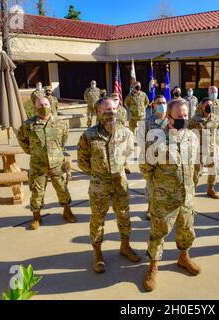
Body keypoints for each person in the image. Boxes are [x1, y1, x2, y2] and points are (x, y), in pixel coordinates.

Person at [140, 98, 200, 292]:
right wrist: (160, 187)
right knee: (158, 234)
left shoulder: (192, 137)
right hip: (164, 198)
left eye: (185, 115)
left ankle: (183, 257)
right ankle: (153, 267)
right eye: (179, 116)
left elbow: (195, 165)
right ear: (169, 117)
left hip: (187, 196)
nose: (183, 119)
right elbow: (145, 168)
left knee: (186, 230)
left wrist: (191, 186)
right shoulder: (156, 139)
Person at [77, 97, 140, 273]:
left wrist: (118, 167)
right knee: (98, 219)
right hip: (99, 186)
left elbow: (128, 151)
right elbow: (82, 162)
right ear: (98, 112)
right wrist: (98, 174)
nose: (111, 112)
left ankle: (125, 246)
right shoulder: (88, 135)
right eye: (106, 110)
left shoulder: (126, 133)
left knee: (124, 216)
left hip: (120, 183)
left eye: (113, 108)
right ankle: (97, 253)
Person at [17, 96, 76, 230]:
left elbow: (63, 140)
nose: (43, 107)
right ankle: (36, 216)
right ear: (35, 108)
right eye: (40, 105)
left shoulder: (60, 123)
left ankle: (67, 211)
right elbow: (22, 139)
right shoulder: (28, 125)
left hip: (57, 164)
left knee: (62, 189)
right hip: (38, 165)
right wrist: (32, 151)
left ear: (50, 105)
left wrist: (56, 151)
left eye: (45, 104)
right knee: (37, 192)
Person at [189, 98, 219, 199]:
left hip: (211, 150)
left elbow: (217, 131)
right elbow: (188, 130)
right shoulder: (195, 119)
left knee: (213, 171)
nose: (209, 107)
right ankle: (191, 190)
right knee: (196, 173)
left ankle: (211, 189)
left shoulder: (215, 118)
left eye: (211, 105)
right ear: (202, 107)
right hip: (199, 151)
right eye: (206, 105)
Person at [144, 95, 169, 220]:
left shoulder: (171, 119)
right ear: (153, 105)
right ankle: (150, 208)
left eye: (164, 102)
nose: (162, 105)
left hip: (167, 159)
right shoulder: (148, 121)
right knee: (151, 185)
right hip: (152, 158)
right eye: (159, 102)